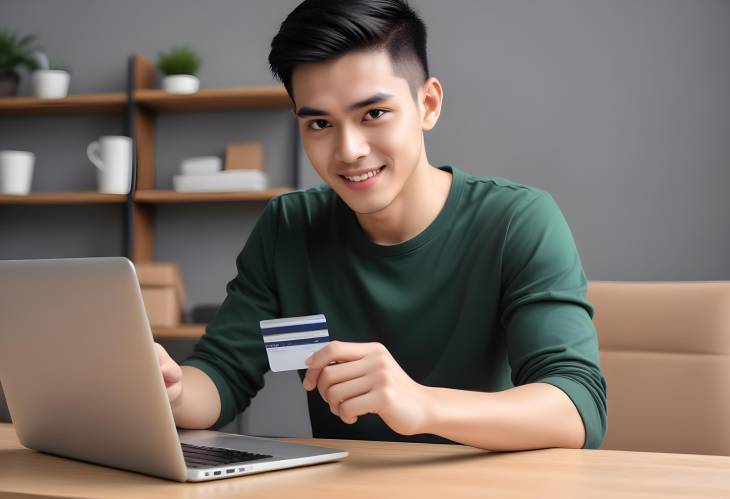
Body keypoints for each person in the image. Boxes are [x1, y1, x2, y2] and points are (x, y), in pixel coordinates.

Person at [155, 0, 607, 451]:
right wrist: (170, 389)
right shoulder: (289, 228)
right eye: (319, 123)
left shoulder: (516, 221)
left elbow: (576, 405)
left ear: (427, 104)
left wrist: (422, 405)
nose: (348, 150)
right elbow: (223, 374)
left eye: (373, 114)